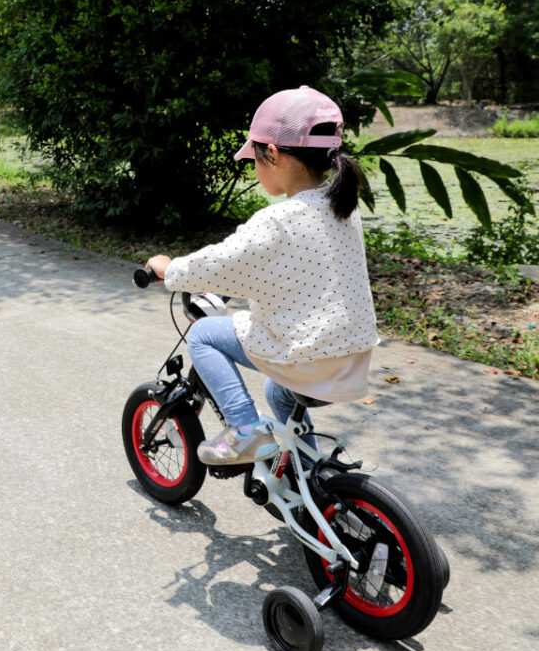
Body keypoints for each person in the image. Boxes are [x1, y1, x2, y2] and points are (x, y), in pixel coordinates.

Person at [144, 86, 378, 465]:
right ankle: (308, 480)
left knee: (203, 334)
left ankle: (245, 431)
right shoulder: (344, 208)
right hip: (351, 356)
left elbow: (222, 263)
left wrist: (169, 269)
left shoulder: (277, 221)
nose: (252, 166)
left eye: (253, 156)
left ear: (272, 153)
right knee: (277, 392)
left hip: (310, 357)